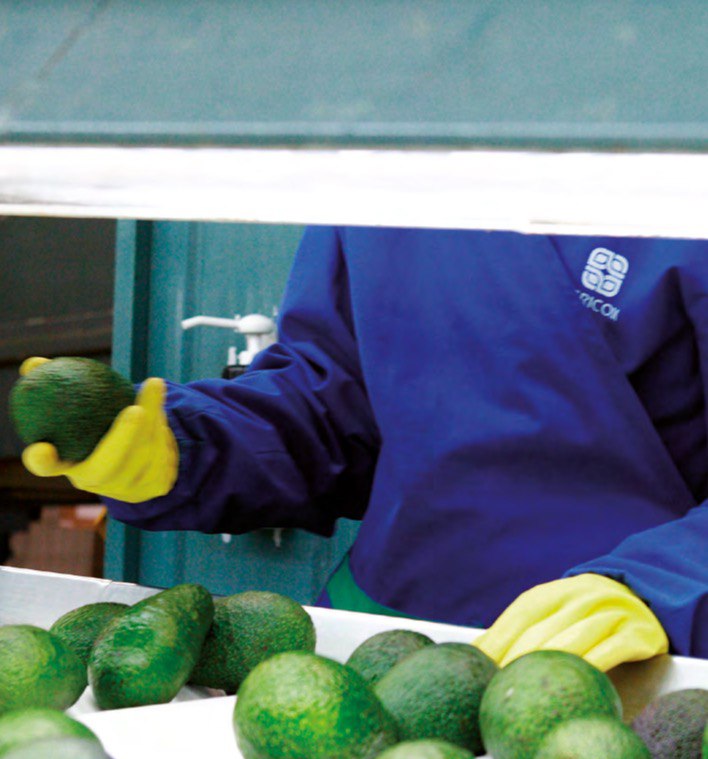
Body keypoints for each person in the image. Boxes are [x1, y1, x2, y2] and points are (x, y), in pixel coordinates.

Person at [20, 226, 707, 669]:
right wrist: (188, 447)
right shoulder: (394, 149)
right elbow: (331, 408)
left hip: (627, 660)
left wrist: (667, 587)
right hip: (380, 643)